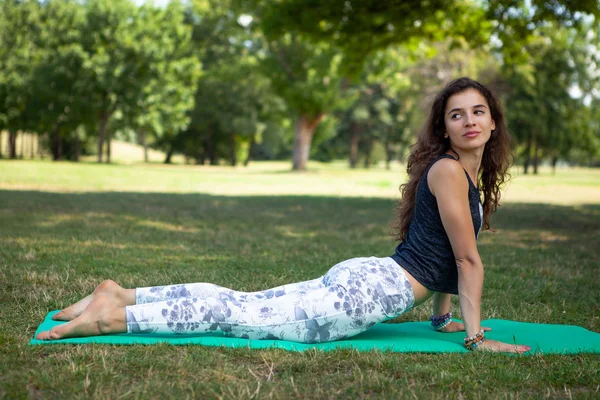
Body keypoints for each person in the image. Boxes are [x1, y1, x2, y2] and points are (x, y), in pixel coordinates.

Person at [36, 77, 531, 354]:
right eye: (457, 114)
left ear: (493, 121)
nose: (470, 121)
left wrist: (441, 318)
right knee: (237, 317)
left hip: (371, 276)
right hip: (373, 291)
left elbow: (448, 254)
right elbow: (467, 262)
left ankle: (120, 294)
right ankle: (114, 318)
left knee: (241, 302)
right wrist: (474, 337)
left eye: (479, 111)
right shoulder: (449, 172)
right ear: (444, 128)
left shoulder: (461, 176)